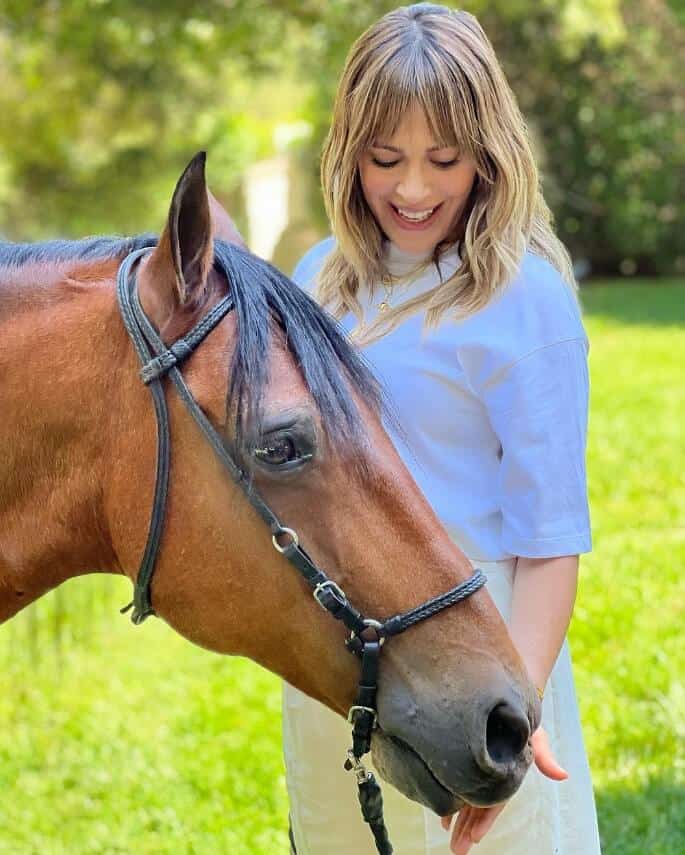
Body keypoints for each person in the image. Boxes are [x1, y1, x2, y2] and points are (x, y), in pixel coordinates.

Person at [282, 4, 601, 854]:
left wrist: (516, 715)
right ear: (348, 153)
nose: (413, 189)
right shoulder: (318, 278)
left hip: (479, 667)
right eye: (385, 159)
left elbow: (548, 539)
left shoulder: (523, 297)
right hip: (341, 666)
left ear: (488, 154)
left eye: (443, 160)